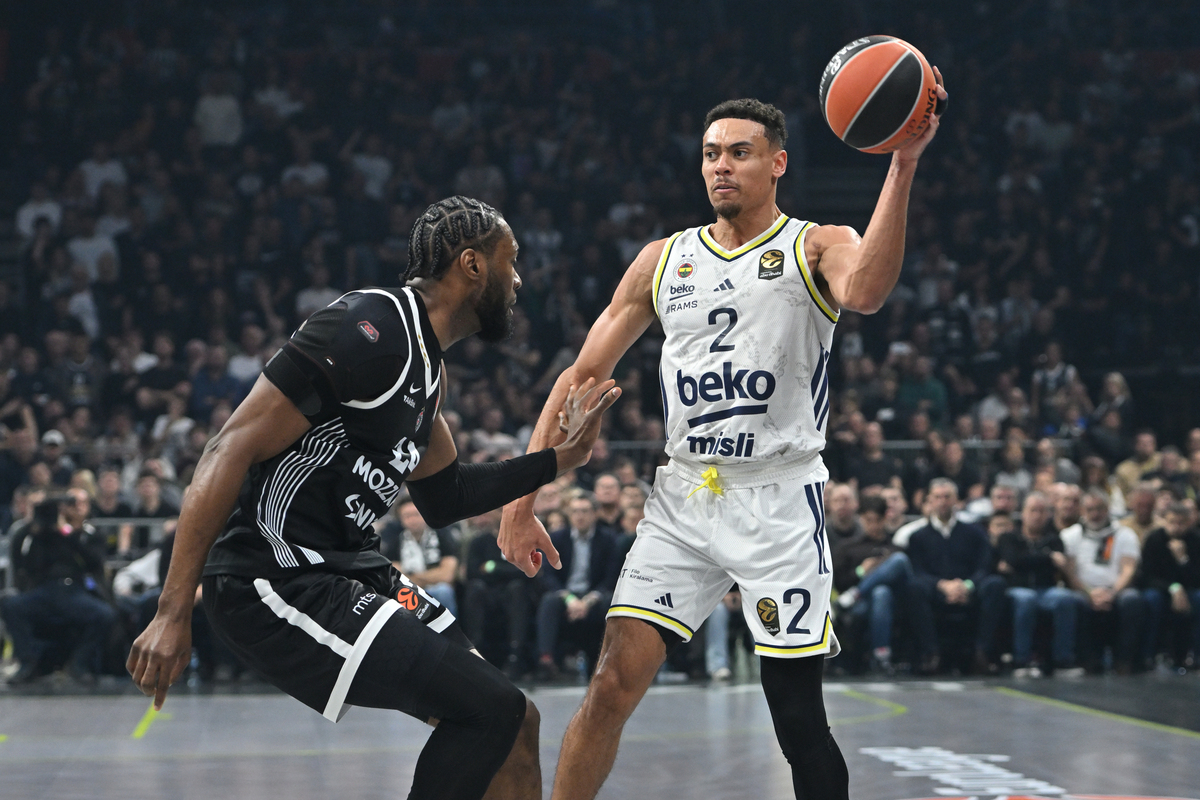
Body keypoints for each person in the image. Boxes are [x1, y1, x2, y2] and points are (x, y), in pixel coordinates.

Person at [500, 82, 946, 800]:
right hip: (686, 494)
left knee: (797, 718)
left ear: (777, 164)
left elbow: (866, 293)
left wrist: (902, 165)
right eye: (711, 154)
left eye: (740, 153)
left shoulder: (819, 244)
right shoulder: (663, 260)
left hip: (777, 499)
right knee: (610, 684)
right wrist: (520, 505)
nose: (721, 167)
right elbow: (581, 377)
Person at [127, 196, 620, 800]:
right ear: (471, 265)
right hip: (276, 575)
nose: (518, 279)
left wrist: (559, 461)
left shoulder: (426, 372)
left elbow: (446, 495)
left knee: (515, 722)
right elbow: (225, 450)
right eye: (510, 261)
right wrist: (173, 611)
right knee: (488, 710)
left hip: (353, 568)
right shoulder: (372, 325)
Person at [1, 488, 115, 684]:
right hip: (44, 590)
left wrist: (66, 531)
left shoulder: (88, 534)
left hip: (74, 590)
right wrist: (36, 528)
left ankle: (79, 662)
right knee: (10, 605)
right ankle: (28, 661)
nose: (73, 509)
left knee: (105, 614)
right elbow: (26, 565)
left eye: (78, 504)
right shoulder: (37, 534)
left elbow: (94, 562)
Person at [905, 478, 1006, 675]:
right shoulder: (917, 537)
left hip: (969, 588)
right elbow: (918, 571)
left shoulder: (975, 533)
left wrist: (967, 585)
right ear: (930, 501)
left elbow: (984, 567)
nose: (942, 501)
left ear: (956, 500)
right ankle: (931, 653)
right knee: (914, 588)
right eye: (937, 497)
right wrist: (942, 585)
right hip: (936, 590)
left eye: (947, 496)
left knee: (996, 584)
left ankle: (982, 652)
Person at [993, 493, 1081, 677]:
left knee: (1065, 599)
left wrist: (1024, 562)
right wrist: (1047, 557)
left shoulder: (1054, 538)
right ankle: (1021, 660)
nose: (1037, 515)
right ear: (1023, 513)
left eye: (1042, 511)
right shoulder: (1009, 537)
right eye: (1033, 510)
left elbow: (1017, 563)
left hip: (1045, 589)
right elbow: (1014, 559)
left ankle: (1063, 661)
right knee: (1026, 600)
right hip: (1016, 589)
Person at [533, 492, 619, 680]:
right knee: (549, 601)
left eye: (585, 511)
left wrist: (587, 601)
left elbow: (611, 578)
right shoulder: (556, 538)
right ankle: (546, 659)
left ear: (595, 514)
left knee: (610, 603)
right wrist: (570, 599)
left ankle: (609, 661)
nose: (580, 516)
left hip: (594, 595)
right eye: (575, 511)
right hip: (565, 595)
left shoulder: (608, 539)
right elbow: (548, 575)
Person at [1060, 489, 1143, 674]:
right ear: (1082, 510)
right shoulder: (1070, 535)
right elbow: (1070, 572)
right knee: (1075, 601)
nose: (1095, 514)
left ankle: (1124, 660)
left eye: (1099, 509)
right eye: (1089, 509)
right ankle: (1088, 660)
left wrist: (1111, 593)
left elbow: (1128, 569)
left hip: (1116, 589)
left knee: (1132, 600)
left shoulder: (1125, 534)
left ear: (1107, 509)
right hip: (1084, 590)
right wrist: (1090, 593)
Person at [832, 495, 911, 674]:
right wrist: (861, 571)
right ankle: (881, 656)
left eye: (878, 520)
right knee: (880, 592)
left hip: (894, 601)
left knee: (897, 563)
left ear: (885, 518)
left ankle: (855, 594)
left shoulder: (894, 547)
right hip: (862, 606)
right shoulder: (848, 548)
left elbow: (906, 582)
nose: (874, 526)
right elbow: (838, 581)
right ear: (861, 519)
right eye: (869, 520)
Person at [1138, 503, 1200, 669]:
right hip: (1162, 590)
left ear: (1189, 523)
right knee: (1152, 599)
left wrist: (1183, 559)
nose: (1176, 527)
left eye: (1181, 523)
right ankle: (1147, 655)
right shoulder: (1154, 539)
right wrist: (1173, 588)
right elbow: (1147, 576)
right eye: (1172, 522)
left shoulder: (1195, 540)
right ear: (1164, 521)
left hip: (1189, 590)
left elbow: (1196, 578)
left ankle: (1196, 655)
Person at [380, 498, 461, 614]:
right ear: (401, 520)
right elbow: (396, 579)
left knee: (443, 591)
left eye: (416, 515)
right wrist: (433, 575)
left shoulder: (442, 536)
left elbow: (447, 575)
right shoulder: (395, 543)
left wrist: (412, 577)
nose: (413, 520)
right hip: (410, 592)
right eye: (407, 516)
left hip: (437, 588)